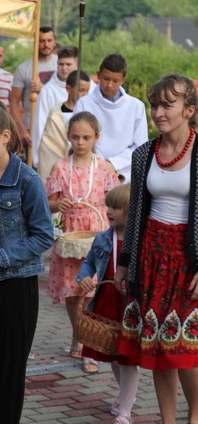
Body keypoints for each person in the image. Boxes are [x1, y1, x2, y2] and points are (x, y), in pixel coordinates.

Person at [115, 74, 198, 424]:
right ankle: (168, 421)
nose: (159, 112)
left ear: (189, 110)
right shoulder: (143, 154)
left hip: (187, 258)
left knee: (185, 348)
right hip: (150, 256)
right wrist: (125, 262)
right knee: (157, 345)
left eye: (168, 105)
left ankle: (194, 415)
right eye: (155, 105)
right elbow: (135, 212)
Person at [0, 102, 55, 424]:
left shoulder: (27, 180)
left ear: (5, 136)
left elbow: (44, 237)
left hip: (16, 285)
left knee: (9, 366)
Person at [45, 111, 120, 374]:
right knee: (72, 291)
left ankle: (88, 343)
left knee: (91, 290)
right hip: (70, 236)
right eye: (75, 137)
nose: (80, 142)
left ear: (96, 138)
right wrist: (58, 203)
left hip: (96, 235)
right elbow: (48, 201)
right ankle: (78, 332)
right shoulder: (60, 167)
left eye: (86, 137)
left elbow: (115, 201)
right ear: (68, 137)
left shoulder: (103, 167)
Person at [76, 183, 140, 424]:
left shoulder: (139, 241)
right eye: (108, 206)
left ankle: (125, 411)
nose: (109, 211)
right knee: (113, 354)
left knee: (127, 358)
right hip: (107, 303)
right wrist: (83, 278)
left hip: (130, 306)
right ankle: (126, 396)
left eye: (116, 207)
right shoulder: (103, 238)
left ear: (131, 211)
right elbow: (89, 263)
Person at [73, 54, 148, 182]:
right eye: (106, 79)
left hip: (125, 173)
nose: (109, 85)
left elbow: (140, 147)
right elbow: (75, 138)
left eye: (115, 81)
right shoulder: (84, 104)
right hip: (89, 171)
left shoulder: (136, 106)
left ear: (123, 80)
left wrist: (114, 163)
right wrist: (100, 163)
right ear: (98, 75)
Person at [38, 71, 91, 181]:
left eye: (87, 91)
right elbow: (49, 149)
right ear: (68, 89)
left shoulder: (90, 114)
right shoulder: (56, 115)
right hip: (62, 171)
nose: (84, 95)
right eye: (80, 90)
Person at [10, 26, 58, 147]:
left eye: (49, 40)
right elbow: (14, 102)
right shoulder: (24, 69)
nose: (46, 45)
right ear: (35, 43)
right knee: (33, 165)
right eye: (42, 41)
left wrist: (43, 88)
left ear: (55, 42)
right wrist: (22, 131)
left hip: (57, 126)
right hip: (31, 128)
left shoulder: (62, 65)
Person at [32, 46, 79, 167]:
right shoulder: (47, 91)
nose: (64, 68)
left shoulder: (89, 87)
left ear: (76, 65)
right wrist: (38, 159)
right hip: (54, 150)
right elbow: (40, 124)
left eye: (68, 64)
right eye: (61, 64)